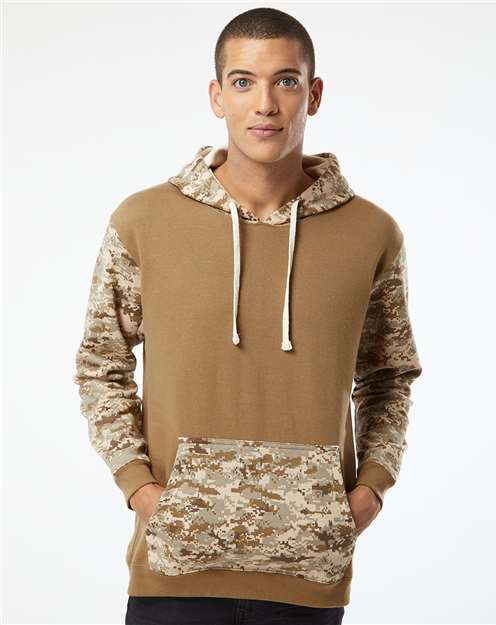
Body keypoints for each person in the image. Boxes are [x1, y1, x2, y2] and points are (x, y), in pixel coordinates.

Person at [73, 6, 423, 625]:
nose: (265, 104)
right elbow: (101, 363)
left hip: (309, 576)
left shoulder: (372, 232)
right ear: (217, 96)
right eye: (243, 81)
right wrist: (141, 489)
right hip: (172, 572)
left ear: (314, 95)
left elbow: (388, 376)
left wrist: (370, 489)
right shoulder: (144, 221)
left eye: (285, 81)